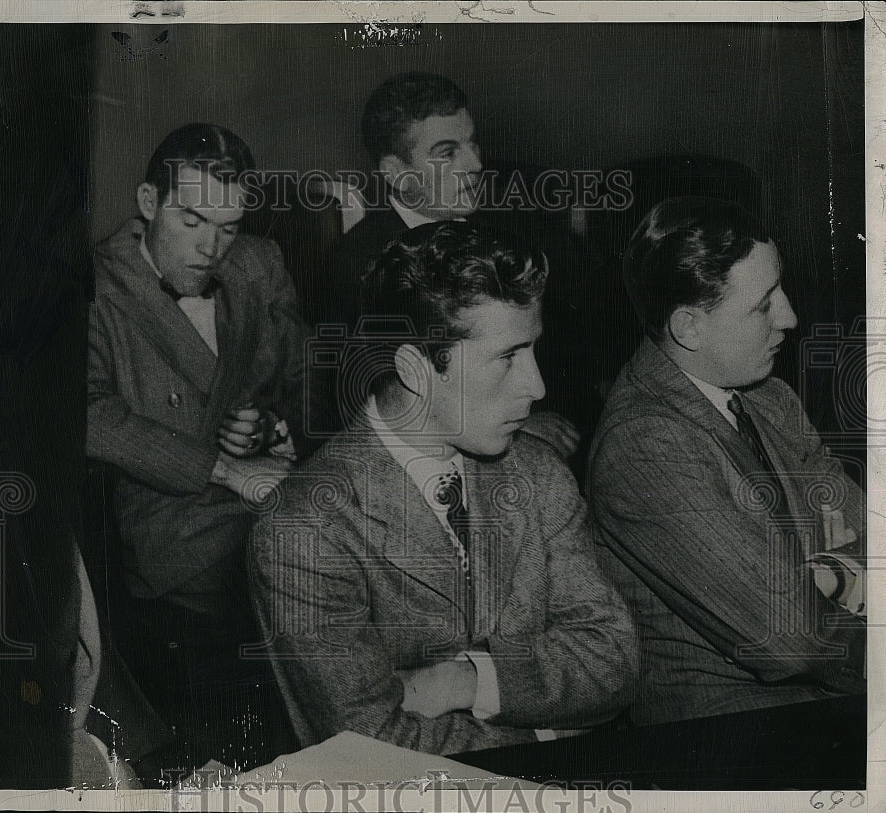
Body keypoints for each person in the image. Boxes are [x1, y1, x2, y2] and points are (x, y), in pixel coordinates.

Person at [250, 221, 636, 755]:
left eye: (533, 350)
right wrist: (549, 728)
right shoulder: (305, 528)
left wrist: (468, 681)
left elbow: (613, 660)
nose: (537, 385)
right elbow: (373, 747)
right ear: (415, 369)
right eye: (508, 357)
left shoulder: (538, 472)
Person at [588, 196, 866, 726]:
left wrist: (827, 575)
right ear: (688, 328)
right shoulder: (644, 448)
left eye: (779, 287)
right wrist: (840, 578)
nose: (789, 316)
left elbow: (867, 531)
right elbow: (791, 641)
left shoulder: (768, 397)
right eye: (763, 304)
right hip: (734, 735)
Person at [86, 123, 308, 765]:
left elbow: (307, 377)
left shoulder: (259, 265)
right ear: (148, 202)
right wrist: (223, 467)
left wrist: (273, 423)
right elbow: (91, 415)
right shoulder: (96, 287)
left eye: (229, 227)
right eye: (192, 220)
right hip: (176, 537)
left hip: (276, 506)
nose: (212, 247)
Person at [317, 71, 580, 458]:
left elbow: (569, 344)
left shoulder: (516, 223)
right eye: (447, 152)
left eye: (472, 142)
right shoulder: (358, 266)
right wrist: (522, 423)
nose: (474, 164)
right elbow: (375, 405)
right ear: (397, 173)